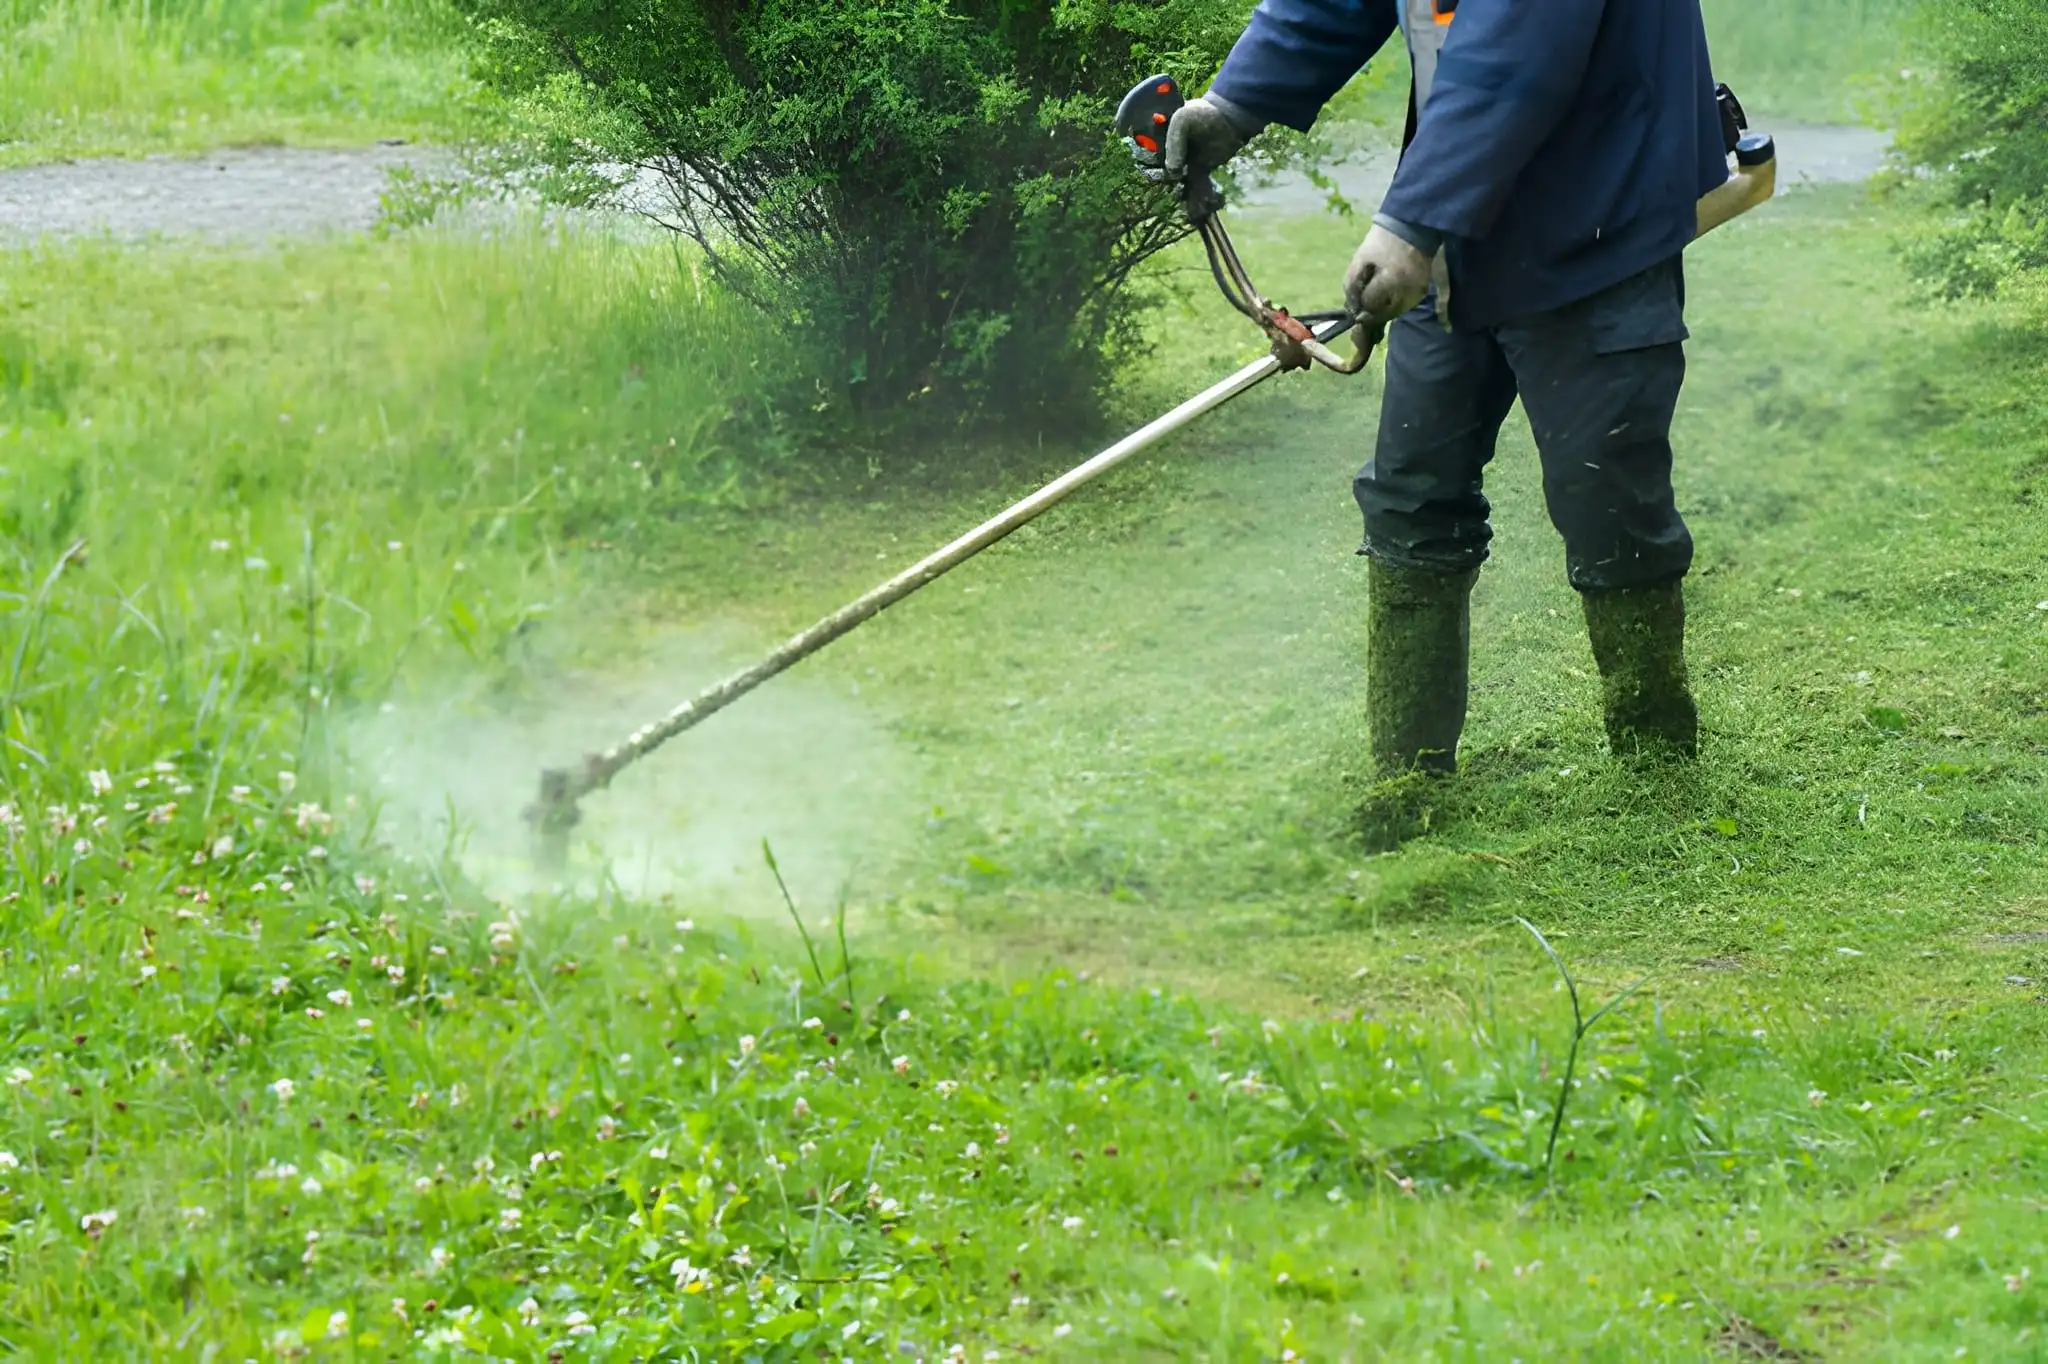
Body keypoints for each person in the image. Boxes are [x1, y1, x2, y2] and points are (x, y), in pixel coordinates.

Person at [1163, 0, 1732, 774]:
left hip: (1597, 219)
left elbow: (1516, 41)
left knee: (1610, 501)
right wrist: (1235, 103)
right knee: (1411, 495)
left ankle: (1656, 767)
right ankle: (1408, 774)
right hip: (1457, 238)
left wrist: (1412, 221)